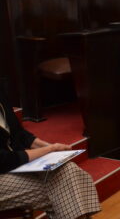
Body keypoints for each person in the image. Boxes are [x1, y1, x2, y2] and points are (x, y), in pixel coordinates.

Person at [0, 85, 101, 218]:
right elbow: (3, 160)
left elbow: (18, 133)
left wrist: (49, 147)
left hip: (14, 165)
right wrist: (49, 150)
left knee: (69, 171)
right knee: (65, 190)